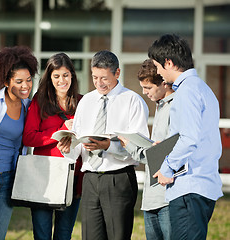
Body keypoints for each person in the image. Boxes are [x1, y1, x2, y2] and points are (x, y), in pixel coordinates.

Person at [58, 50, 149, 240]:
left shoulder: (133, 101)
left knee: (117, 236)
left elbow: (139, 149)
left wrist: (108, 146)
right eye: (95, 77)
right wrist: (69, 148)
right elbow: (79, 142)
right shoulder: (86, 102)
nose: (99, 83)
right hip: (90, 179)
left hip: (119, 179)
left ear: (117, 73)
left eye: (104, 78)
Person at [149, 34, 223, 239]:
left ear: (169, 63)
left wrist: (167, 167)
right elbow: (195, 136)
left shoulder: (187, 91)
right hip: (201, 187)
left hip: (188, 189)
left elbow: (189, 138)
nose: (157, 73)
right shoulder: (202, 88)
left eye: (157, 66)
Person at [0, 46, 38, 240]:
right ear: (6, 81)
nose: (26, 86)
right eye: (19, 81)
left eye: (28, 80)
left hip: (9, 179)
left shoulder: (28, 106)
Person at [22, 52, 83, 240]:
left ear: (72, 75)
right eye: (56, 76)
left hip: (73, 176)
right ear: (50, 77)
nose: (61, 80)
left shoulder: (83, 102)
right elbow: (29, 138)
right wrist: (58, 132)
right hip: (44, 176)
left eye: (65, 75)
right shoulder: (39, 101)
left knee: (64, 234)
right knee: (42, 235)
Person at [120, 59, 174, 240]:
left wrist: (129, 146)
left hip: (167, 199)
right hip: (151, 198)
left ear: (164, 83)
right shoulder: (160, 105)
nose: (144, 93)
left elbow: (164, 153)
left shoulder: (176, 106)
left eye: (148, 88)